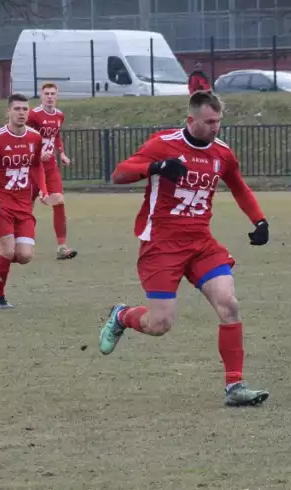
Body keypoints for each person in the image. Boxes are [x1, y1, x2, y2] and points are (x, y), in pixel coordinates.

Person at [98, 90, 271, 407]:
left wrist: (259, 220)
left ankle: (235, 386)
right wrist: (156, 167)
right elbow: (119, 173)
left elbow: (239, 187)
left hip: (201, 243)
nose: (215, 128)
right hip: (161, 245)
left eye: (218, 121)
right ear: (191, 119)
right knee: (159, 324)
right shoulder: (163, 144)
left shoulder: (222, 153)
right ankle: (122, 316)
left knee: (228, 304)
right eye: (209, 122)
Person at [0, 93, 52, 308]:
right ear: (8, 111)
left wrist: (44, 190)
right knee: (8, 250)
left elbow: (36, 165)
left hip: (24, 204)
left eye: (25, 109)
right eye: (16, 109)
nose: (21, 113)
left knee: (24, 256)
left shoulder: (35, 137)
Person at [27, 82, 77, 260]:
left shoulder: (59, 115)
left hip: (50, 166)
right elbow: (26, 138)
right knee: (26, 208)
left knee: (59, 201)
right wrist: (37, 154)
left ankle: (62, 247)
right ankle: (22, 244)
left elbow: (56, 135)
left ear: (57, 96)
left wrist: (61, 153)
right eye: (47, 93)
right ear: (41, 95)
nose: (50, 96)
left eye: (53, 93)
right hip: (32, 166)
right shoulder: (33, 115)